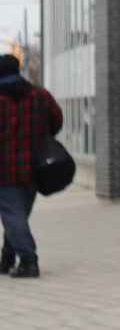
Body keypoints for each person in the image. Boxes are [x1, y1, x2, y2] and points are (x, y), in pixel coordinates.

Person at [0, 53, 63, 279]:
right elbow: (57, 120)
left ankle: (28, 260)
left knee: (13, 215)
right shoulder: (40, 95)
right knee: (17, 215)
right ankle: (6, 258)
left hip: (5, 171)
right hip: (36, 167)